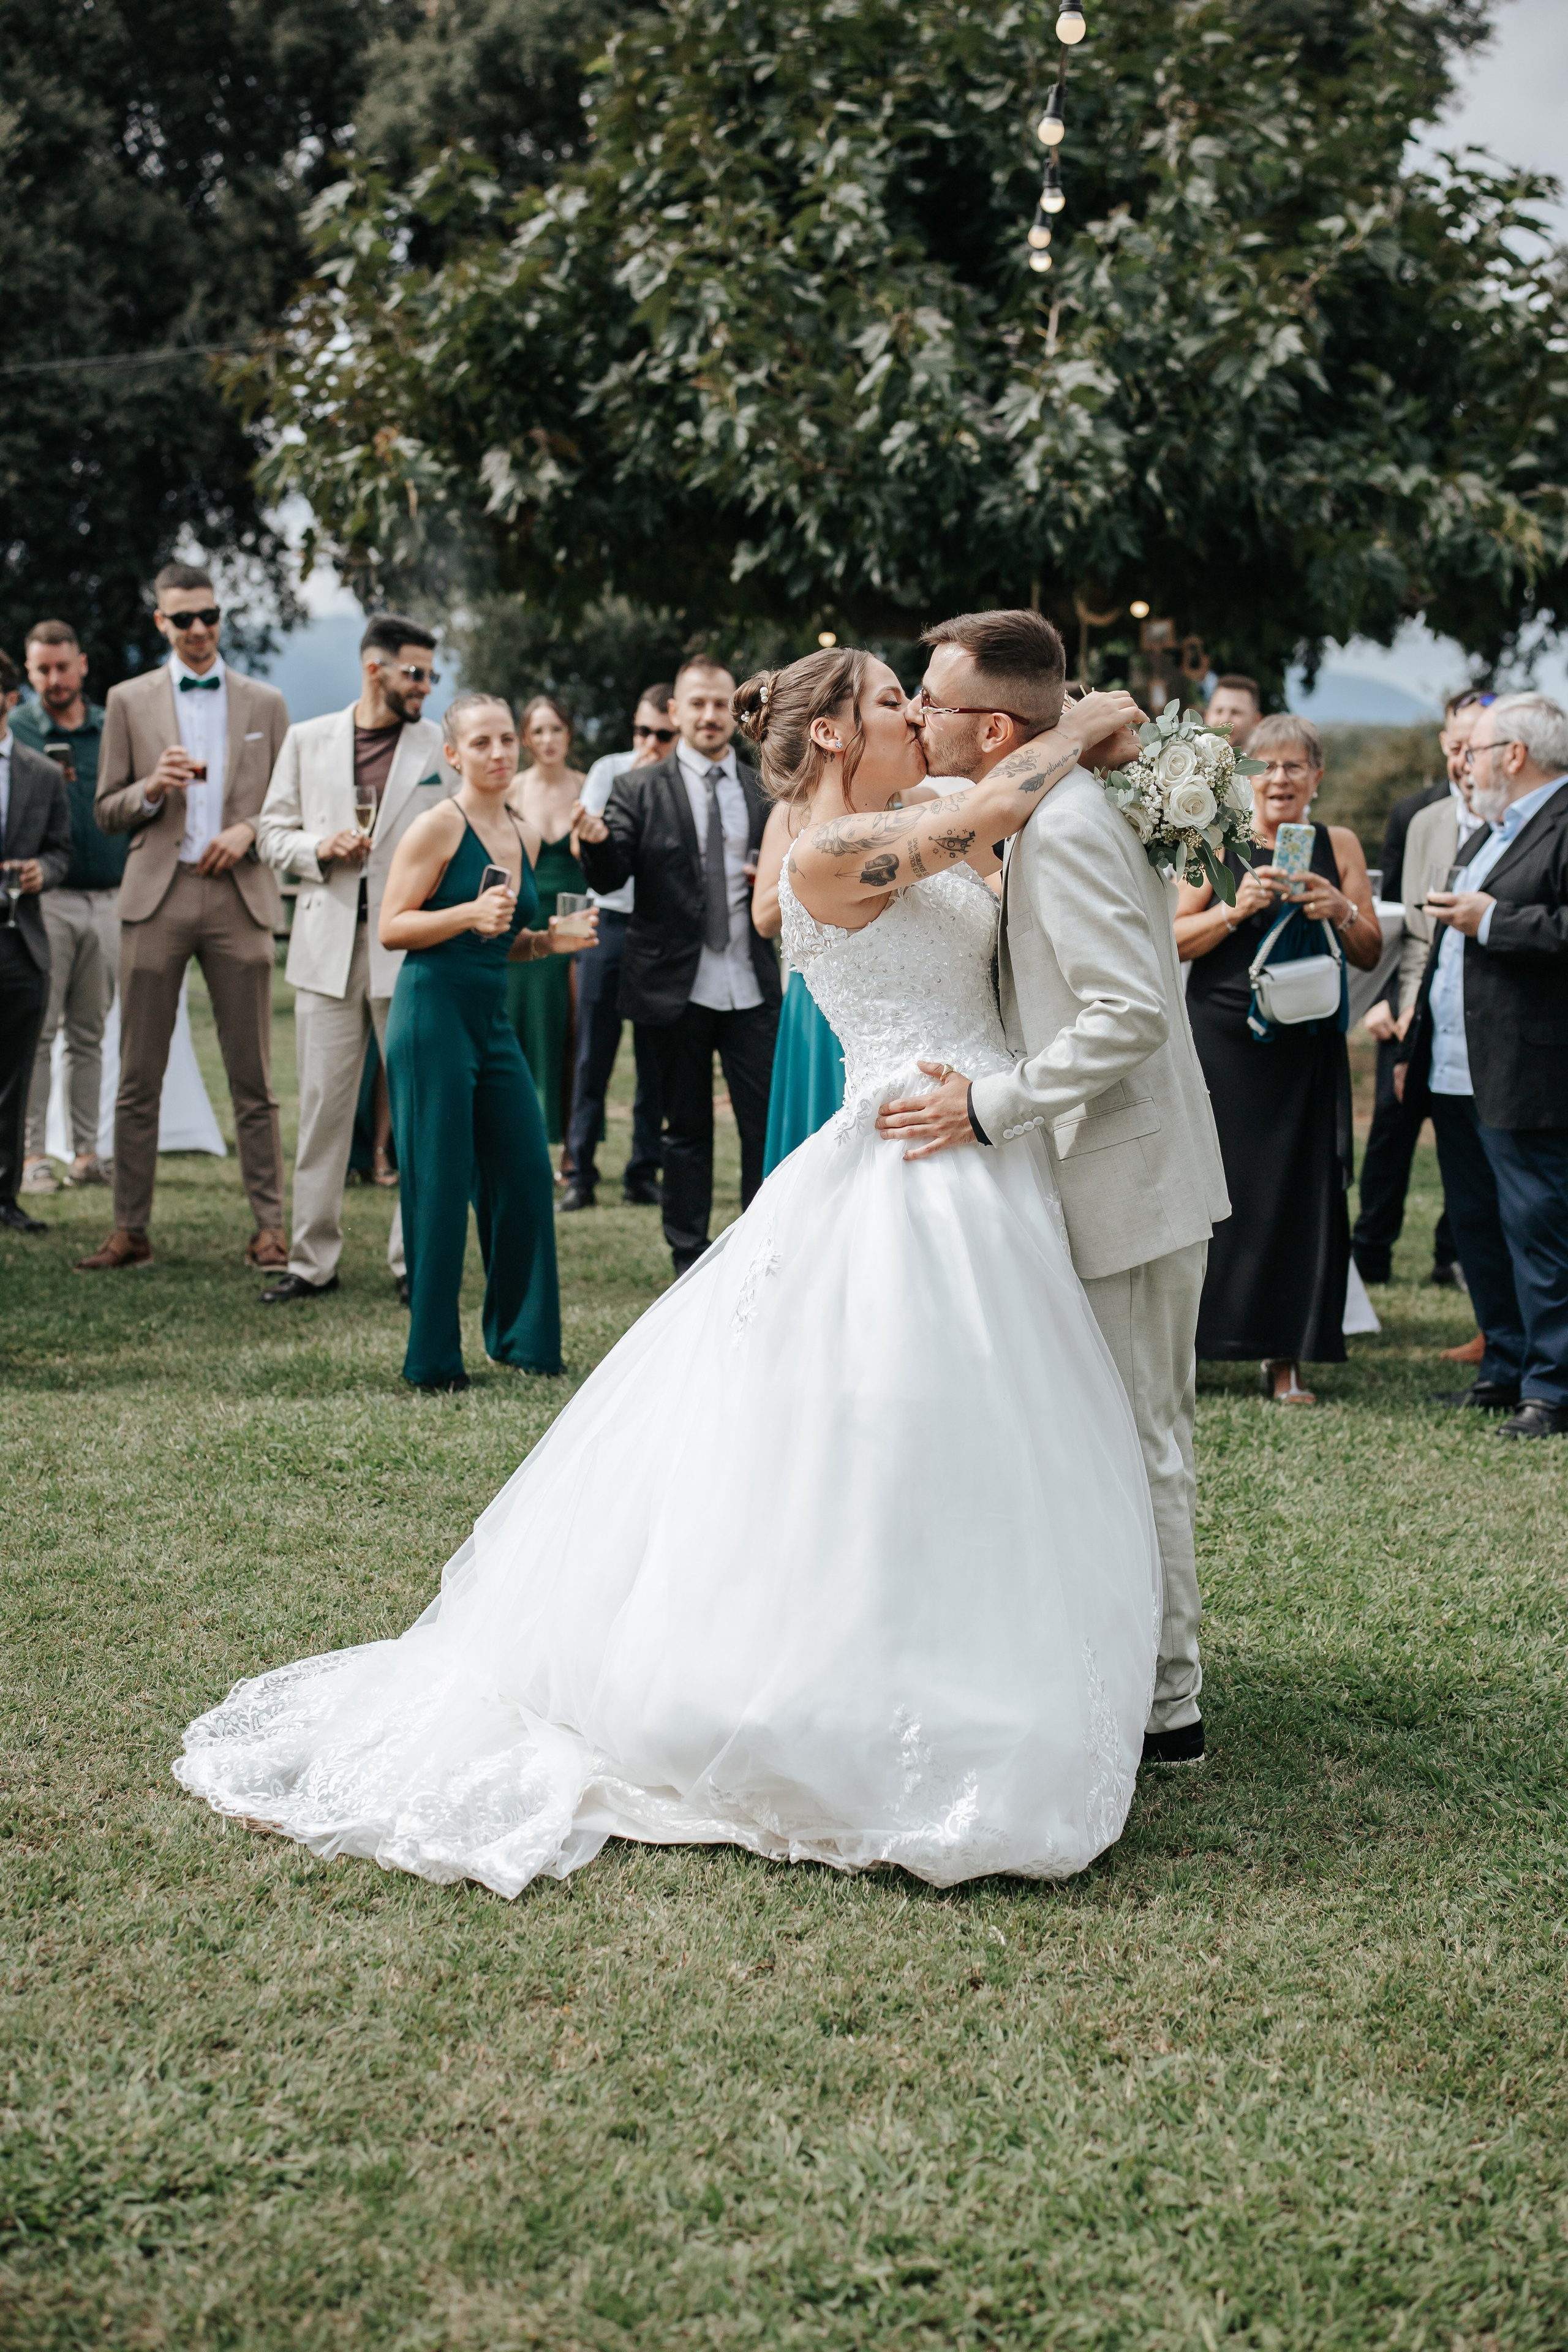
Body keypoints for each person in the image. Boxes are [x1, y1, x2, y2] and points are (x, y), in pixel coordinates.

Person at [175, 657, 1163, 1896]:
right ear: (834, 738)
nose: (917, 716)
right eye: (891, 705)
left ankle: (984, 1660)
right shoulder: (818, 855)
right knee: (886, 1424)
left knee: (973, 1433)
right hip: (912, 1153)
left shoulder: (890, 828)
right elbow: (1000, 806)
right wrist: (1098, 716)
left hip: (978, 1148)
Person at [876, 609, 1229, 1769]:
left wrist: (989, 1106)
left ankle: (1168, 1706)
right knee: (1101, 1436)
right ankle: (1117, 1654)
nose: (918, 713)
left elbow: (1127, 1014)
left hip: (1127, 1179)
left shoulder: (1068, 829)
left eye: (930, 699)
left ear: (987, 726)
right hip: (1081, 1177)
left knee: (1142, 1437)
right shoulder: (1037, 811)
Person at [78, 564, 290, 1273]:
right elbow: (106, 808)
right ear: (160, 623)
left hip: (239, 894)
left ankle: (270, 1229)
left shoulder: (265, 702)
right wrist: (148, 789)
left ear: (219, 618)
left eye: (209, 615)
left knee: (254, 1077)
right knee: (138, 1074)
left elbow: (290, 804)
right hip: (156, 894)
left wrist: (250, 830)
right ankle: (129, 1229)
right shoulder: (127, 700)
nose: (198, 629)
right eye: (183, 619)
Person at [379, 694, 589, 1392]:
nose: (500, 754)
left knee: (526, 1171)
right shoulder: (437, 827)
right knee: (439, 1186)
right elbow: (392, 928)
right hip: (431, 1016)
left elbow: (508, 945)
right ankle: (433, 1362)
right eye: (482, 744)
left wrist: (548, 941)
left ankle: (525, 1340)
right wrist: (468, 911)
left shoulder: (524, 834)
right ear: (453, 756)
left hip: (490, 1019)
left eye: (506, 740)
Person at [1177, 714, 1383, 1401]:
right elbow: (1173, 938)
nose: (1280, 779)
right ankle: (1198, 1348)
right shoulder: (1216, 839)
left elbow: (1371, 950)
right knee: (1216, 1188)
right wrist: (1236, 910)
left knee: (1297, 1195)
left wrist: (1340, 909)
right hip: (1226, 1042)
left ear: (1317, 779)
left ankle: (1284, 1357)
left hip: (1304, 1044)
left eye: (1295, 766)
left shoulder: (1339, 844)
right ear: (1243, 777)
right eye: (1265, 765)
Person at [255, 613, 450, 1305]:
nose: (426, 685)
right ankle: (311, 1261)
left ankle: (414, 1261)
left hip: (410, 948)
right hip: (325, 945)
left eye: (430, 673)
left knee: (418, 1109)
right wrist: (318, 850)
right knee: (321, 1109)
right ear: (375, 670)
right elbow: (269, 833)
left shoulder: (439, 746)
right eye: (415, 673)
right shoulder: (308, 740)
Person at [1395, 693, 1568, 1439]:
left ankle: (1552, 1389)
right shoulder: (1490, 831)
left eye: (1477, 750)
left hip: (1527, 1066)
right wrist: (1414, 1042)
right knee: (1476, 1224)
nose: (1464, 763)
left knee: (1537, 1226)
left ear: (1516, 756)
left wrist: (1493, 920)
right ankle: (1501, 1365)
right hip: (1454, 1062)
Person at [576, 655, 780, 1275]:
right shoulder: (636, 788)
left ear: (736, 712)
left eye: (722, 704)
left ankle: (763, 1242)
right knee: (683, 1130)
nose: (711, 715)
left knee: (764, 1126)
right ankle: (688, 1258)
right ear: (675, 712)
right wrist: (593, 846)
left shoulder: (763, 786)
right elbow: (613, 875)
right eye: (697, 704)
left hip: (751, 982)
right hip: (673, 986)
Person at [1351, 691, 1489, 1289]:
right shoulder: (1418, 816)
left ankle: (1451, 1257)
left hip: (1482, 1010)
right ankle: (1370, 1252)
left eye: (1477, 745)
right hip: (1413, 1001)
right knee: (1390, 1126)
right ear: (1445, 743)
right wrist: (1398, 1006)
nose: (1464, 757)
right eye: (1458, 744)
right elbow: (1401, 921)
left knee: (1472, 1140)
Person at [14, 622, 121, 1195]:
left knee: (90, 1033)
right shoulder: (17, 730)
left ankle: (86, 1153)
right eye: (42, 670)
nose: (55, 679)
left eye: (63, 666)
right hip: (43, 902)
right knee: (37, 1032)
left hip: (109, 898)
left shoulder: (112, 727)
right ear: (30, 676)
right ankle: (31, 1155)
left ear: (82, 664)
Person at [560, 686, 673, 1212]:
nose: (650, 742)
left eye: (662, 735)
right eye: (642, 731)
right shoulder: (609, 770)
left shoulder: (681, 785)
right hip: (607, 922)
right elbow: (584, 842)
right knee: (592, 1054)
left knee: (655, 1060)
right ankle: (579, 1170)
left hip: (657, 927)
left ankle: (643, 1169)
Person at [0, 649, 72, 1234]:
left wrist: (39, 873)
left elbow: (62, 851)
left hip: (19, 943)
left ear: (8, 698)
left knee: (13, 1077)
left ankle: (6, 1197)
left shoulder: (42, 773)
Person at [506, 695, 587, 1169]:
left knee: (572, 1031)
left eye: (555, 729)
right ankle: (525, 1138)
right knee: (525, 1028)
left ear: (568, 734)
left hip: (577, 914)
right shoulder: (512, 790)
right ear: (526, 739)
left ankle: (570, 1148)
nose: (548, 739)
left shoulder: (587, 785)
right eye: (538, 731)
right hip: (531, 917)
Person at [754, 796, 845, 1172]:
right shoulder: (793, 814)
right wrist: (820, 859)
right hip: (821, 1001)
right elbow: (762, 917)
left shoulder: (918, 804)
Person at [1205, 675, 1261, 752]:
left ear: (1256, 721)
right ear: (1207, 716)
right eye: (1219, 711)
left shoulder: (1272, 763)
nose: (1225, 720)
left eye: (1235, 712)